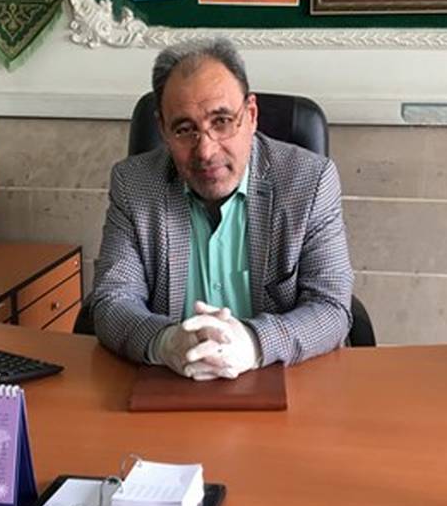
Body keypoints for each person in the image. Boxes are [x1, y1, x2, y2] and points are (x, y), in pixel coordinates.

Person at [91, 37, 353, 379]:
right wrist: (165, 342)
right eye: (185, 129)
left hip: (280, 377)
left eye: (222, 121)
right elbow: (112, 301)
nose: (206, 151)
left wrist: (254, 343)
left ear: (251, 116)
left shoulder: (309, 181)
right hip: (172, 381)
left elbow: (331, 308)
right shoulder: (134, 184)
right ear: (163, 130)